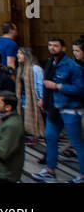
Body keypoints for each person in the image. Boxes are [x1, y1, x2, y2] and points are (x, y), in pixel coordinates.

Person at [32, 35, 84, 182]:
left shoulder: (73, 67)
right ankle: (50, 170)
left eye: (55, 45)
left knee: (76, 143)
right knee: (50, 137)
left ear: (63, 48)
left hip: (69, 109)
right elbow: (45, 83)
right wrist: (44, 99)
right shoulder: (50, 63)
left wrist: (58, 86)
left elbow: (80, 89)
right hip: (53, 108)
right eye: (50, 45)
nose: (52, 48)